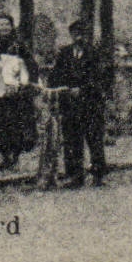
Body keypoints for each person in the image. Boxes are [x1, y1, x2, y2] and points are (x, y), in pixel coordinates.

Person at [49, 19, 113, 188]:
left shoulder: (95, 53)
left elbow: (100, 78)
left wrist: (83, 89)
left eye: (82, 34)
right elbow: (56, 75)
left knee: (94, 139)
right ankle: (74, 175)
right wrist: (57, 88)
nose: (78, 38)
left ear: (86, 36)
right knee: (71, 140)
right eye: (75, 34)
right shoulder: (64, 53)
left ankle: (99, 174)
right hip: (70, 104)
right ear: (71, 35)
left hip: (90, 104)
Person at [0, 13, 37, 171]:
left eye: (7, 24)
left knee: (18, 124)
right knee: (1, 125)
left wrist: (23, 84)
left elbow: (30, 65)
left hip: (17, 94)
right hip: (0, 93)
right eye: (1, 25)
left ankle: (16, 156)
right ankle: (5, 157)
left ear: (12, 27)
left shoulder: (19, 46)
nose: (4, 27)